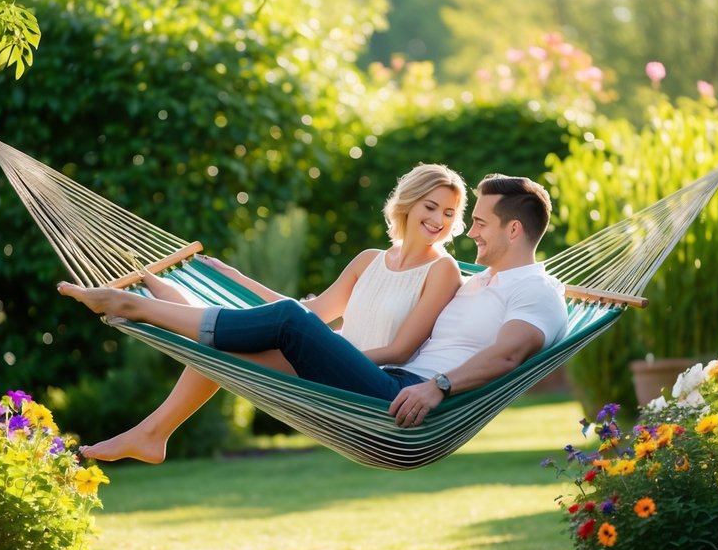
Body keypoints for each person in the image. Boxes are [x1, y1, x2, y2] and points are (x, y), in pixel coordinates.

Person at [59, 174, 568, 450]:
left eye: (474, 221)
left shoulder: (537, 291)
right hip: (382, 380)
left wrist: (437, 388)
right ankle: (154, 431)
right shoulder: (480, 280)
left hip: (397, 398)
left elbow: (507, 355)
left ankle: (134, 306)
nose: (467, 231)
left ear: (515, 231)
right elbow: (318, 312)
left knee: (285, 324)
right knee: (234, 347)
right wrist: (233, 282)